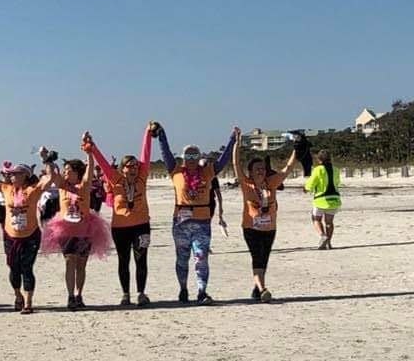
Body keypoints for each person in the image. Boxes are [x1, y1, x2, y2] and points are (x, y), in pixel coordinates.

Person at [156, 123, 237, 304]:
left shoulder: (208, 172)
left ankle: (202, 291)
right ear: (183, 158)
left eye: (194, 155)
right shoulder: (175, 171)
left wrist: (232, 140)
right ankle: (183, 289)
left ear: (199, 157)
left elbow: (223, 160)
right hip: (181, 223)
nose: (191, 159)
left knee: (201, 257)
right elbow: (165, 153)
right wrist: (162, 135)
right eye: (188, 155)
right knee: (182, 258)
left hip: (202, 223)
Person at [85, 123, 154, 306]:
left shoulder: (142, 177)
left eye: (135, 166)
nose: (133, 169)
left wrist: (147, 132)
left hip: (141, 226)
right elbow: (102, 163)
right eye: (129, 167)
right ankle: (125, 294)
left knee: (141, 259)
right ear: (122, 168)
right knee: (123, 261)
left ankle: (141, 293)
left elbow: (145, 155)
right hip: (120, 228)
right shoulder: (114, 178)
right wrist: (92, 146)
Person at [40, 133, 112, 309]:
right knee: (69, 261)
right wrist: (46, 158)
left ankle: (79, 294)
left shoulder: (84, 186)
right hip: (65, 229)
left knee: (81, 264)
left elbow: (90, 169)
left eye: (68, 170)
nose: (65, 173)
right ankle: (70, 296)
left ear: (77, 173)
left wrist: (89, 151)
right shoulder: (62, 186)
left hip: (85, 230)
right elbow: (52, 173)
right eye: (64, 170)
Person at [231, 129, 298, 302]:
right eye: (257, 169)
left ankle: (257, 288)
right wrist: (237, 143)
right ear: (250, 172)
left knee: (264, 259)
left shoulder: (272, 183)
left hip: (270, 229)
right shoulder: (246, 185)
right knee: (257, 258)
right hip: (251, 229)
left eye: (262, 168)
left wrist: (296, 148)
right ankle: (263, 290)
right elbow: (236, 164)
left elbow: (288, 168)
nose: (261, 171)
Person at [0, 145, 53, 314]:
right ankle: (18, 296)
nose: (12, 176)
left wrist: (45, 158)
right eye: (11, 174)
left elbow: (50, 177)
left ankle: (28, 303)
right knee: (13, 269)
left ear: (25, 176)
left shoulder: (33, 190)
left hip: (30, 236)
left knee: (27, 268)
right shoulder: (6, 189)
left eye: (16, 173)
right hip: (11, 236)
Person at [304, 149, 341, 250]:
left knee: (316, 219)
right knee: (329, 222)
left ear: (319, 159)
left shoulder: (318, 169)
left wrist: (306, 188)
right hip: (334, 199)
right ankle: (328, 242)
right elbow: (337, 182)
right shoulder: (336, 169)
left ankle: (323, 236)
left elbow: (311, 183)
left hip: (321, 199)